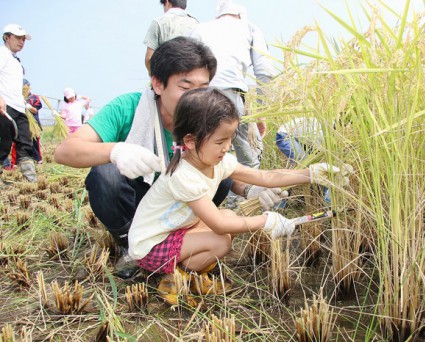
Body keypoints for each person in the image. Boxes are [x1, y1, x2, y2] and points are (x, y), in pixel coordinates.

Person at [54, 37, 286, 279]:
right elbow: (65, 151)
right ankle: (128, 245)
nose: (196, 97)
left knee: (216, 168)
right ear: (157, 84)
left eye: (203, 87)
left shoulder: (206, 120)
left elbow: (223, 169)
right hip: (141, 200)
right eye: (185, 88)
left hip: (182, 203)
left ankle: (181, 248)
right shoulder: (127, 107)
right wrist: (116, 151)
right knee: (106, 174)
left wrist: (250, 190)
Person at [128, 87, 342, 305]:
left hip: (173, 232)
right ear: (190, 141)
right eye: (220, 142)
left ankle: (191, 271)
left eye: (229, 139)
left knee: (230, 215)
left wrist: (311, 174)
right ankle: (177, 279)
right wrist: (266, 221)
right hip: (150, 245)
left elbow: (264, 176)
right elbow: (219, 225)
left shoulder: (215, 162)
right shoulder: (184, 175)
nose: (227, 147)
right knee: (221, 240)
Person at [188, 0, 275, 170]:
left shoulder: (198, 30)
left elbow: (183, 68)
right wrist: (260, 113)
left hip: (199, 98)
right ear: (241, 15)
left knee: (204, 156)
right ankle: (245, 195)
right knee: (251, 155)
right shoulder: (249, 27)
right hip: (231, 97)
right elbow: (265, 72)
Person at [0, 24, 37, 185]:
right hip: (5, 106)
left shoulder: (15, 60)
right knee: (3, 142)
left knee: (25, 142)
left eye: (24, 39)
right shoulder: (2, 54)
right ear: (7, 37)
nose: (22, 41)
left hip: (18, 107)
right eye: (18, 37)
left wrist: (24, 103)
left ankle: (30, 179)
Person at [143, 0, 198, 75]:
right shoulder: (196, 24)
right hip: (189, 77)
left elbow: (149, 58)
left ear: (167, 2)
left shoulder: (158, 22)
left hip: (166, 77)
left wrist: (154, 77)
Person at [23, 79, 43, 164]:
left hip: (33, 124)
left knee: (35, 142)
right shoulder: (18, 98)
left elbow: (35, 110)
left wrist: (28, 107)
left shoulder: (34, 98)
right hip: (23, 124)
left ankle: (38, 159)